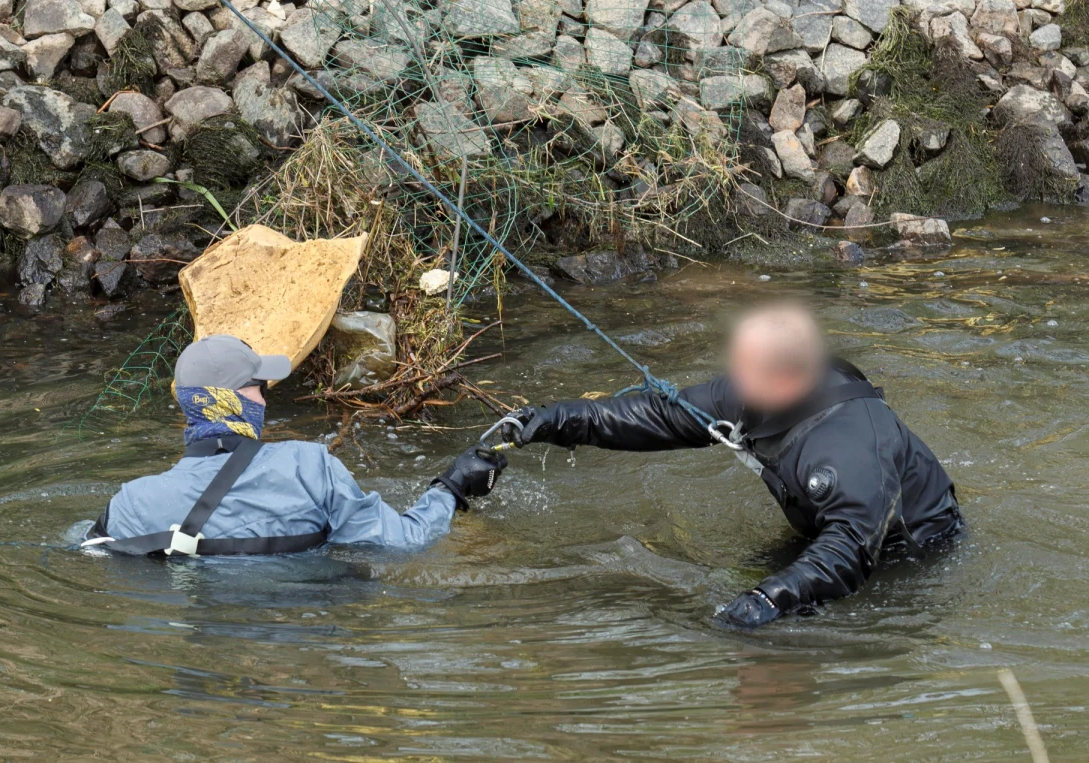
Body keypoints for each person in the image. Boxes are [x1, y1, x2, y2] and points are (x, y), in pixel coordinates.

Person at [501, 302, 963, 629]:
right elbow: (662, 416)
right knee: (739, 584)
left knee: (800, 631)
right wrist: (556, 419)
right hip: (831, 527)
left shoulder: (848, 445)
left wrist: (771, 597)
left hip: (908, 554)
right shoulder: (751, 390)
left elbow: (848, 551)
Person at [84, 334, 507, 556]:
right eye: (257, 388)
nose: (265, 398)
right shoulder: (310, 468)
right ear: (229, 400)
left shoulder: (128, 505)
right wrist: (451, 487)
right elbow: (405, 543)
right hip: (303, 633)